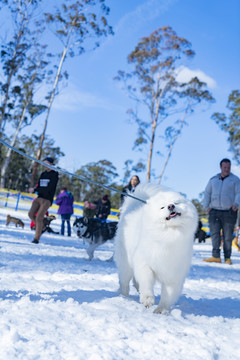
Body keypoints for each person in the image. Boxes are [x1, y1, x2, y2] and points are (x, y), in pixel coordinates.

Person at [202, 158, 240, 264]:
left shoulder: (235, 180)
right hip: (214, 211)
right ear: (220, 167)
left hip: (229, 212)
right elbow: (207, 193)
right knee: (215, 235)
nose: (227, 169)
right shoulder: (213, 179)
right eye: (225, 167)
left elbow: (239, 193)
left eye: (228, 167)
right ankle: (216, 257)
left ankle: (227, 258)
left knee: (227, 236)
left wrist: (236, 204)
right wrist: (206, 206)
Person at [28, 157, 59, 244]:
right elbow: (39, 186)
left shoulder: (55, 174)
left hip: (47, 200)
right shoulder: (43, 174)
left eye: (47, 163)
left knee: (39, 218)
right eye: (44, 163)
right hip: (39, 197)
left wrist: (38, 190)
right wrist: (34, 189)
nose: (45, 165)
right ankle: (43, 225)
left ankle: (36, 239)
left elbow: (50, 188)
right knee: (31, 214)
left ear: (51, 164)